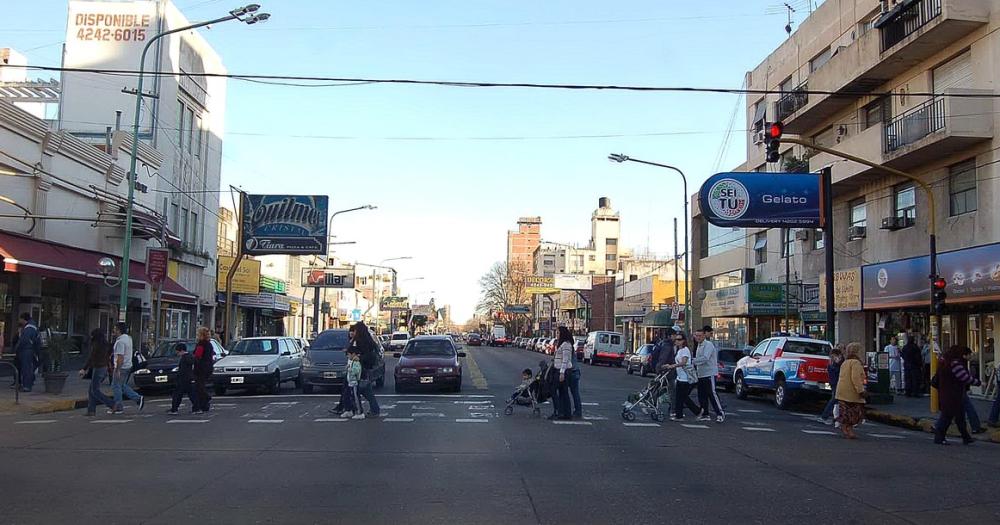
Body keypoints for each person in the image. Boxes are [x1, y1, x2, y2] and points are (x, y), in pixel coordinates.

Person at [933, 345, 979, 445]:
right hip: (953, 394)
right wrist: (978, 382)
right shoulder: (955, 364)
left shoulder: (944, 362)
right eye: (968, 355)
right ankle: (939, 437)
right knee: (948, 416)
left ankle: (966, 437)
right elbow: (964, 377)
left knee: (959, 416)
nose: (969, 357)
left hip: (946, 393)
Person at [692, 326, 725, 423]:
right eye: (696, 336)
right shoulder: (699, 345)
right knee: (701, 395)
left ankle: (720, 413)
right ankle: (705, 414)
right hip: (701, 374)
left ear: (704, 336)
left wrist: (692, 361)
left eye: (700, 335)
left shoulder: (708, 345)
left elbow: (705, 358)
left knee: (712, 393)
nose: (698, 337)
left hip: (709, 373)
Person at [110, 322, 144, 414]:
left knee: (115, 385)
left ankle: (119, 406)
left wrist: (117, 370)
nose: (113, 330)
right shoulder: (128, 338)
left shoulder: (120, 342)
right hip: (128, 365)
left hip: (122, 367)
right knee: (121, 385)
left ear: (119, 330)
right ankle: (137, 398)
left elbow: (120, 357)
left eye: (115, 328)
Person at [835, 342, 867, 439]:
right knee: (855, 412)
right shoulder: (856, 363)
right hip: (851, 392)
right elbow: (856, 378)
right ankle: (848, 428)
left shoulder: (845, 362)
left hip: (842, 391)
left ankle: (846, 427)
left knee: (845, 411)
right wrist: (861, 390)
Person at [348, 321, 380, 417]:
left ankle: (366, 410)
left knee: (363, 389)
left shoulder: (363, 341)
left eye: (355, 330)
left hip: (362, 368)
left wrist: (359, 357)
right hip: (362, 368)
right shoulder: (363, 340)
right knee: (363, 389)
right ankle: (372, 409)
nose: (354, 332)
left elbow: (368, 355)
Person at [80, 329, 114, 416]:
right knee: (92, 390)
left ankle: (111, 404)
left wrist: (84, 369)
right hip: (104, 368)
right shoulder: (106, 345)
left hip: (98, 368)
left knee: (95, 390)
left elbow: (91, 357)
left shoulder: (96, 345)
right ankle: (91, 410)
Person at [668, 332, 701, 421]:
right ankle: (679, 415)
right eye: (676, 339)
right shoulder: (679, 350)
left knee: (683, 397)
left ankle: (697, 411)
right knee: (680, 397)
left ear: (683, 341)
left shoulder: (685, 350)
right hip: (680, 377)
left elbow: (684, 362)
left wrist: (672, 366)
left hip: (685, 378)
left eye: (679, 340)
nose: (677, 341)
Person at [552, 327, 574, 421]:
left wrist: (562, 372)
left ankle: (561, 411)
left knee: (554, 389)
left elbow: (565, 359)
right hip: (559, 370)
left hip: (563, 371)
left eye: (558, 333)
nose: (557, 335)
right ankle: (564, 413)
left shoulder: (566, 344)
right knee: (562, 392)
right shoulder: (561, 344)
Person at [13, 312, 40, 392]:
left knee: (26, 368)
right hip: (29, 350)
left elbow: (24, 340)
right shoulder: (31, 326)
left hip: (26, 350)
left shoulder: (29, 328)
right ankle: (27, 384)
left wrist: (17, 348)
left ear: (23, 319)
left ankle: (27, 386)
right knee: (27, 368)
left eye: (20, 319)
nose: (19, 320)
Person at [168, 343, 196, 415]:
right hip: (189, 378)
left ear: (181, 351)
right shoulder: (190, 356)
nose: (177, 353)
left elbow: (183, 370)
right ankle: (196, 408)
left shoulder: (184, 358)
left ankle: (174, 409)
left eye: (177, 351)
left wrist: (178, 377)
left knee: (177, 395)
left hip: (183, 379)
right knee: (192, 394)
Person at [654, 330, 678, 412]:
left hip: (666, 371)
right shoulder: (668, 346)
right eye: (674, 335)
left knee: (657, 388)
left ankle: (650, 401)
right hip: (667, 371)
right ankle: (673, 409)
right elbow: (663, 358)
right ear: (670, 336)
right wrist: (661, 367)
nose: (676, 338)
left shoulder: (666, 344)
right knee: (671, 391)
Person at [818, 346, 843, 425]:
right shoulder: (835, 363)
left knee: (836, 401)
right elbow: (837, 372)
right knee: (835, 400)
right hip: (837, 383)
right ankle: (825, 416)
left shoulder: (831, 363)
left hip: (834, 382)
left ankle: (836, 418)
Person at [191, 327, 213, 414]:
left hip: (201, 368)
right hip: (208, 367)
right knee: (201, 386)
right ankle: (204, 405)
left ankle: (205, 399)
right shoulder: (209, 344)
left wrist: (193, 359)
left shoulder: (201, 344)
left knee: (199, 387)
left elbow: (198, 356)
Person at [339, 348, 363, 419]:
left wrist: (349, 369)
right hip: (350, 382)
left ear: (353, 354)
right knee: (349, 396)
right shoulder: (351, 361)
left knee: (355, 397)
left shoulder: (356, 361)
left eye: (348, 354)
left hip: (354, 382)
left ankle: (359, 412)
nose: (347, 356)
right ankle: (350, 410)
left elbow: (356, 371)